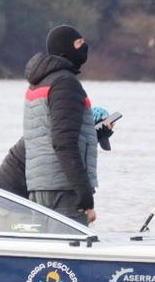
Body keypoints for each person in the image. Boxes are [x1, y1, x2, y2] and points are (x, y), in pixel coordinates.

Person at [21, 24, 99, 225]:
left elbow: (47, 135)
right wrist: (84, 192)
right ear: (66, 47)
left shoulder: (38, 83)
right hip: (63, 189)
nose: (84, 48)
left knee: (43, 250)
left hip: (38, 186)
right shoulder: (65, 83)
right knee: (68, 251)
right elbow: (63, 141)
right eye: (79, 43)